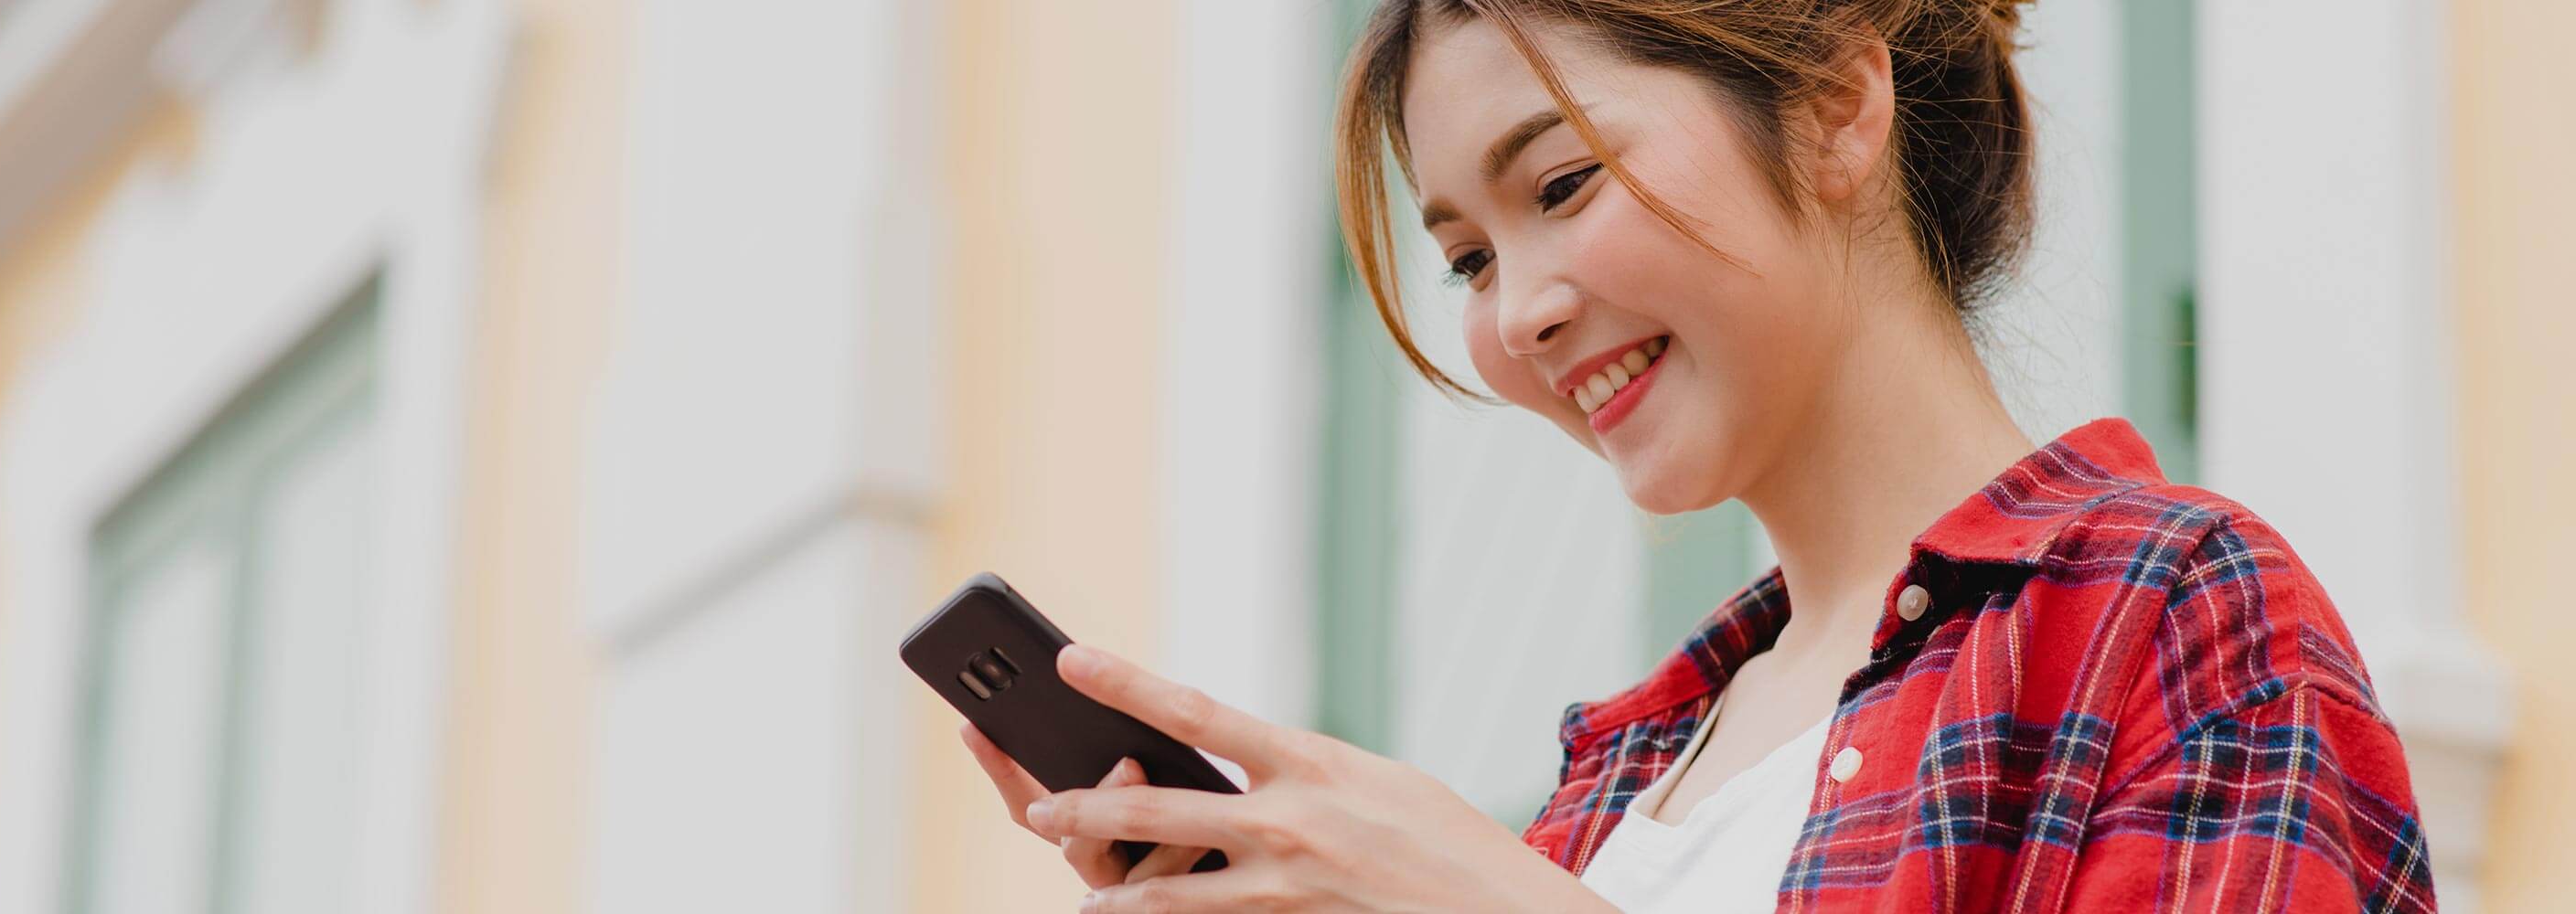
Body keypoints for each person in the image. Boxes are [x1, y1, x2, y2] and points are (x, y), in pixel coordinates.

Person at [964, 1, 2435, 910]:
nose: (1520, 310)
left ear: (1836, 107)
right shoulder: (1613, 788)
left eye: (1561, 182)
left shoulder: (2167, 615)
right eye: (1468, 258)